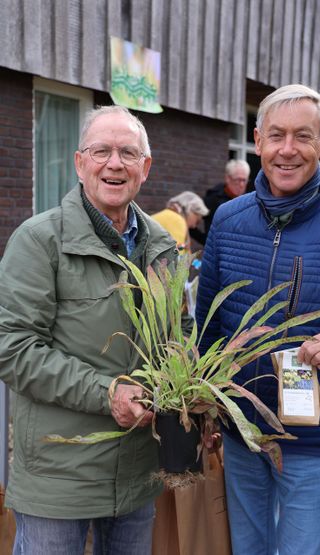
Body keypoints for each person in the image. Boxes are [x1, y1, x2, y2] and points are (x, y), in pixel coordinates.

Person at [0, 105, 186, 555]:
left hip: (138, 469)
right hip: (58, 475)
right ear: (80, 163)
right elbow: (13, 348)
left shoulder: (161, 245)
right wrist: (107, 392)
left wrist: (191, 397)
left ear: (146, 166)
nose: (114, 163)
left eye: (127, 152)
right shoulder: (39, 240)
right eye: (101, 151)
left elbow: (178, 334)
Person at [196, 84, 320, 555]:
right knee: (247, 548)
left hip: (314, 436)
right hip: (241, 430)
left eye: (302, 136)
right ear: (258, 140)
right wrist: (205, 406)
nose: (287, 150)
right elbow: (206, 327)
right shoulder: (228, 220)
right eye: (276, 136)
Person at [190, 159, 250, 244]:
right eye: (238, 180)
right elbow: (189, 220)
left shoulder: (249, 201)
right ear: (228, 178)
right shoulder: (213, 199)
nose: (241, 185)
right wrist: (207, 242)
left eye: (244, 180)